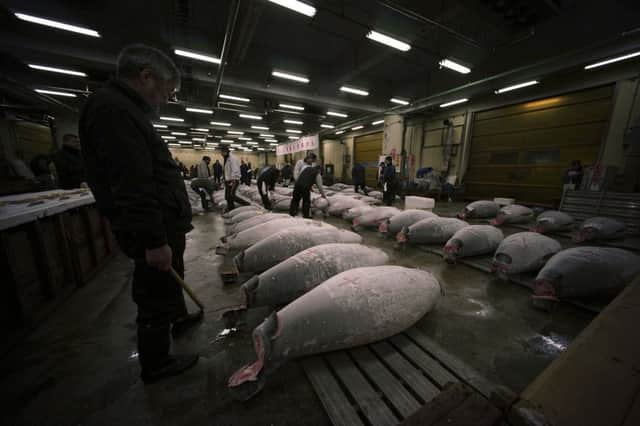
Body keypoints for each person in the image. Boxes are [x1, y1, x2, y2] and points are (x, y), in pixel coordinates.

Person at [78, 44, 201, 383]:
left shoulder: (122, 109)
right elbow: (132, 182)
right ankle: (157, 362)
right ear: (146, 76)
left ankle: (176, 319)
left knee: (167, 280)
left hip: (163, 223)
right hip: (153, 227)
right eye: (166, 90)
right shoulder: (112, 111)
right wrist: (153, 240)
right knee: (154, 292)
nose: (164, 99)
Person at [221, 146, 241, 211]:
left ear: (226, 152)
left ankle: (232, 208)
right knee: (228, 196)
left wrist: (233, 180)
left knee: (231, 196)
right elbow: (226, 170)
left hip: (233, 180)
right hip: (228, 180)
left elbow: (235, 170)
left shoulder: (232, 158)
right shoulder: (226, 158)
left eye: (222, 152)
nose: (221, 154)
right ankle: (230, 207)